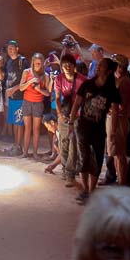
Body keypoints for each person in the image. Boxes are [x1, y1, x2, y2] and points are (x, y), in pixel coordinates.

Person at [69, 57, 120, 202]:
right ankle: (85, 190)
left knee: (97, 160)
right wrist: (71, 122)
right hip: (83, 127)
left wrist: (113, 132)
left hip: (98, 129)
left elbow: (115, 112)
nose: (98, 67)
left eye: (102, 66)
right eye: (98, 65)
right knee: (84, 158)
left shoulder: (111, 90)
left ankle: (92, 191)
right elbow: (77, 103)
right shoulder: (87, 84)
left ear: (109, 71)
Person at [55, 55, 87, 187]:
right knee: (63, 143)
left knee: (73, 143)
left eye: (70, 65)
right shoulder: (59, 78)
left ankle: (70, 173)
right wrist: (59, 113)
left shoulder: (82, 80)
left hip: (77, 116)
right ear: (61, 67)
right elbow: (57, 98)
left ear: (74, 66)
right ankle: (64, 168)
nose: (67, 67)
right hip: (64, 115)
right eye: (65, 65)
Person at [15, 52, 51, 158]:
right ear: (33, 62)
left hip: (38, 103)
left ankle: (35, 153)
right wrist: (30, 81)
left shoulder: (45, 76)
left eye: (40, 64)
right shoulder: (27, 72)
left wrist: (39, 89)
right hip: (27, 102)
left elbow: (48, 93)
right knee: (27, 128)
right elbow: (21, 88)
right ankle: (25, 152)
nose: (38, 66)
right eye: (36, 63)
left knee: (36, 129)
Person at [106, 54, 130, 186]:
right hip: (116, 119)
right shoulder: (122, 81)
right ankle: (120, 182)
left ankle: (122, 184)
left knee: (120, 154)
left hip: (119, 121)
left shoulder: (124, 82)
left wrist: (108, 108)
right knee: (116, 153)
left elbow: (121, 107)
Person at [3, 39, 27, 153]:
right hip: (11, 97)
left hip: (20, 96)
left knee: (19, 121)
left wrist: (13, 89)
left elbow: (26, 79)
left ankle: (19, 146)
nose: (10, 50)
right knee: (14, 121)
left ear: (17, 49)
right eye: (8, 48)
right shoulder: (8, 62)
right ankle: (15, 144)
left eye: (12, 48)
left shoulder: (22, 61)